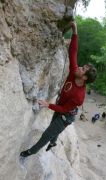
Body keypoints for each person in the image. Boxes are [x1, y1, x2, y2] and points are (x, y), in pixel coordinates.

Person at [20, 21, 97, 157]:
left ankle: (30, 152)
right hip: (61, 104)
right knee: (53, 126)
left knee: (48, 133)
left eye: (83, 69)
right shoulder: (74, 73)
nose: (79, 67)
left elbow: (64, 110)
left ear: (84, 77)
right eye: (82, 66)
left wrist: (47, 104)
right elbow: (73, 52)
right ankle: (54, 142)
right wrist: (75, 31)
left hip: (66, 116)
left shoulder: (79, 96)